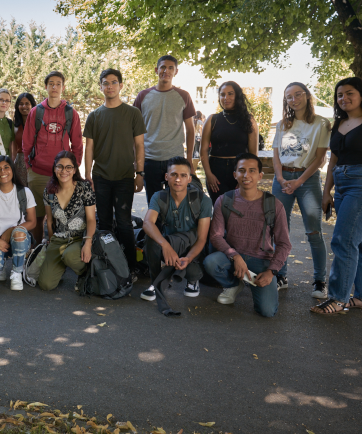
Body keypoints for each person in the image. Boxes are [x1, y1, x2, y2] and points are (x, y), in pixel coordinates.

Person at [311, 77, 362, 315]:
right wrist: (327, 192)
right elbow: (333, 159)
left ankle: (338, 298)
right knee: (359, 242)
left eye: (349, 93)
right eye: (339, 95)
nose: (343, 98)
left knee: (343, 240)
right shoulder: (339, 123)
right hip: (343, 183)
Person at [204, 153, 291, 318]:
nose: (246, 175)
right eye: (242, 170)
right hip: (233, 257)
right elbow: (215, 236)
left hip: (261, 261)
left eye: (252, 171)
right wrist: (235, 256)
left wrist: (272, 271)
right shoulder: (224, 200)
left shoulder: (274, 204)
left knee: (267, 311)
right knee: (210, 262)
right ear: (234, 174)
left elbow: (284, 244)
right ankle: (233, 284)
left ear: (260, 176)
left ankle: (253, 282)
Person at [83, 68, 145, 275]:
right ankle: (108, 264)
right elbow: (89, 147)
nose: (109, 86)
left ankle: (130, 266)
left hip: (125, 176)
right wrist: (88, 175)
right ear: (100, 87)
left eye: (113, 82)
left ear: (121, 85)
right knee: (105, 223)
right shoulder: (94, 116)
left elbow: (140, 146)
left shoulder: (133, 113)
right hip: (101, 176)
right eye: (105, 83)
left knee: (125, 222)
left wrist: (140, 173)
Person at [272, 82, 331, 297]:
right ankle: (280, 275)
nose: (294, 99)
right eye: (289, 96)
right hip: (283, 178)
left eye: (298, 94)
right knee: (279, 229)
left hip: (308, 179)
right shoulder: (282, 124)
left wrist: (299, 181)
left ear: (307, 96)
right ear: (285, 100)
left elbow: (319, 158)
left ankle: (319, 281)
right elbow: (276, 155)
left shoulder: (321, 123)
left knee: (313, 231)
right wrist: (279, 178)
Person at [140, 156, 211, 308]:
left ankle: (193, 280)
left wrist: (189, 258)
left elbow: (202, 239)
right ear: (166, 177)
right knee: (151, 239)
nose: (178, 179)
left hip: (193, 249)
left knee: (193, 270)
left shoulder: (202, 200)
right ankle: (156, 282)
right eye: (173, 175)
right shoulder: (159, 196)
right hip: (171, 244)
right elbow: (147, 223)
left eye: (183, 175)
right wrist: (166, 246)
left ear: (189, 179)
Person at [22, 72, 84, 243]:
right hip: (38, 172)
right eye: (51, 84)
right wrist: (29, 167)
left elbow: (78, 145)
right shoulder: (36, 112)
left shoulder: (71, 113)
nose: (54, 87)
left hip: (63, 175)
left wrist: (73, 169)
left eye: (58, 84)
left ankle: (59, 248)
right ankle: (36, 248)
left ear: (63, 87)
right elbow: (26, 143)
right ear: (46, 87)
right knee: (37, 215)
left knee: (61, 215)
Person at [133, 55, 197, 204]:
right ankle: (154, 228)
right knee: (154, 205)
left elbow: (190, 130)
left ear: (176, 72)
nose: (166, 71)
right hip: (150, 159)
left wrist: (189, 160)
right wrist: (137, 163)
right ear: (156, 70)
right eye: (162, 67)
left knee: (176, 204)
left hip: (175, 159)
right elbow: (135, 132)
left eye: (170, 68)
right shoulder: (143, 96)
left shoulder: (184, 96)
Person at [38, 151, 97, 291]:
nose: (64, 171)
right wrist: (51, 242)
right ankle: (62, 264)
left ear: (74, 170)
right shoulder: (49, 191)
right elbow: (49, 221)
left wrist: (88, 242)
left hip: (80, 238)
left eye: (68, 167)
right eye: (60, 167)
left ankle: (84, 273)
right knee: (46, 284)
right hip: (60, 239)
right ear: (54, 168)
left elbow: (91, 219)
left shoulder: (84, 188)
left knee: (69, 255)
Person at [0, 156, 37, 290]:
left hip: (18, 239)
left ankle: (17, 272)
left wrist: (11, 230)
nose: (2, 172)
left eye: (6, 167)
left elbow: (32, 222)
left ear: (12, 170)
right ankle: (0, 267)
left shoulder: (24, 192)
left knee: (19, 233)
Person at [200, 81, 259, 204]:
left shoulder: (249, 120)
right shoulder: (212, 119)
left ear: (237, 96)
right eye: (222, 94)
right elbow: (203, 150)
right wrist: (209, 174)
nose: (226, 98)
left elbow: (253, 154)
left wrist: (246, 176)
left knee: (238, 210)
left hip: (240, 170)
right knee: (218, 209)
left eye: (230, 94)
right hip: (216, 170)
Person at [13, 92, 36, 185]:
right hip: (20, 164)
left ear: (32, 105)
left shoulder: (38, 124)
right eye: (21, 104)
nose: (24, 106)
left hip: (36, 162)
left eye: (27, 103)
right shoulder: (14, 126)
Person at [0, 88, 16, 159]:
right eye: (1, 99)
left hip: (5, 162)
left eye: (7, 101)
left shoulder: (10, 123)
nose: (4, 103)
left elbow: (11, 147)